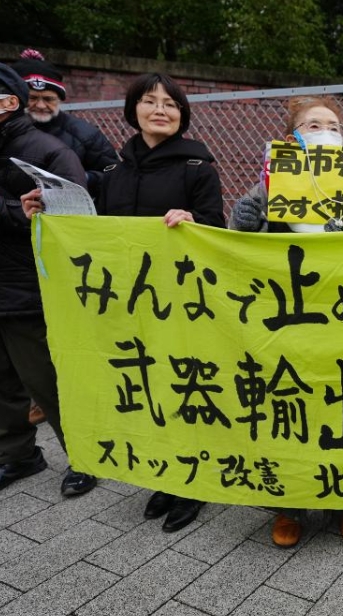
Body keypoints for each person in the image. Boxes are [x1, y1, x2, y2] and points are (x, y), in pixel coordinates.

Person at [25, 72, 225, 531]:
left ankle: (192, 485)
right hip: (126, 305)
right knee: (147, 387)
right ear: (133, 109)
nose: (161, 110)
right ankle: (166, 474)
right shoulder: (112, 173)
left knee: (185, 388)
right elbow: (87, 226)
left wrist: (194, 220)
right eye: (150, 101)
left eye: (171, 104)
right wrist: (43, 211)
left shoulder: (199, 169)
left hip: (181, 304)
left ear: (183, 115)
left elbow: (217, 229)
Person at [228, 95, 343, 548]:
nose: (323, 130)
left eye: (331, 124)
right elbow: (237, 247)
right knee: (286, 406)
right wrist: (248, 220)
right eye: (312, 124)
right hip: (284, 317)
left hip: (340, 315)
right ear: (292, 136)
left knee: (342, 403)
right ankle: (289, 503)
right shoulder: (270, 183)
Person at [0, 62, 98, 496]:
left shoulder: (49, 152)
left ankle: (85, 457)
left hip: (28, 289)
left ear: (7, 102)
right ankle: (19, 455)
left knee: (47, 381)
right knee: (3, 384)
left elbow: (75, 220)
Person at [12, 49, 118, 199]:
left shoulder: (85, 135)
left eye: (48, 99)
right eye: (33, 98)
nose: (41, 105)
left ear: (60, 99)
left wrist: (84, 178)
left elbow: (115, 175)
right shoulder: (6, 132)